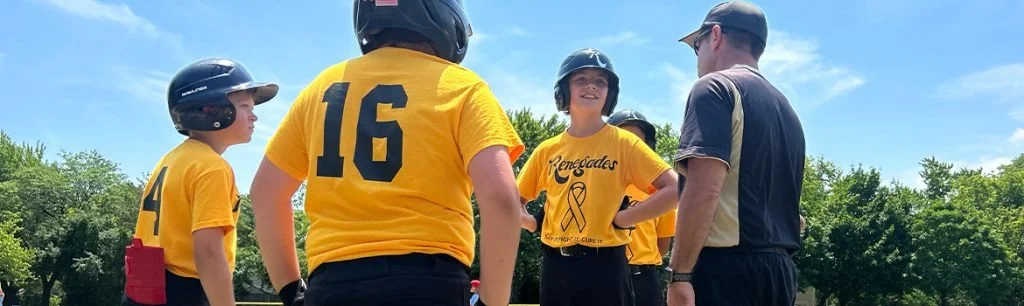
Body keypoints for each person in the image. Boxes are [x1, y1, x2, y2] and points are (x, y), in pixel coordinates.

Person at [249, 1, 525, 306]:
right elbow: (501, 200)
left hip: (332, 284)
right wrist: (491, 301)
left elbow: (265, 192)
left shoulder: (322, 88)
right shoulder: (463, 87)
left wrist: (291, 291)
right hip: (428, 281)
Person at [666, 1, 806, 306]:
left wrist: (680, 276)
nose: (698, 56)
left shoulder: (714, 87)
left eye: (697, 45)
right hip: (779, 273)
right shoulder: (787, 111)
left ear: (715, 36)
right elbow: (796, 219)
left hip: (726, 272)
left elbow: (704, 189)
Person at [517, 48, 679, 306]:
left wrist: (624, 219)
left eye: (600, 81)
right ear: (563, 91)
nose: (591, 86)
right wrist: (532, 223)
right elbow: (514, 200)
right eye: (580, 79)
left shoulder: (624, 143)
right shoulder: (547, 150)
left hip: (607, 264)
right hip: (555, 264)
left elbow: (674, 189)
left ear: (609, 94)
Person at [122, 58, 279, 306]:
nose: (254, 117)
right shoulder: (212, 168)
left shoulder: (171, 159)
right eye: (245, 106)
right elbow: (208, 253)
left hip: (144, 291)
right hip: (185, 292)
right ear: (212, 110)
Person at [609, 109, 678, 306]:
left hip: (644, 279)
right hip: (603, 275)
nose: (631, 145)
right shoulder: (596, 183)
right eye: (624, 138)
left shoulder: (660, 191)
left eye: (637, 140)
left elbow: (662, 243)